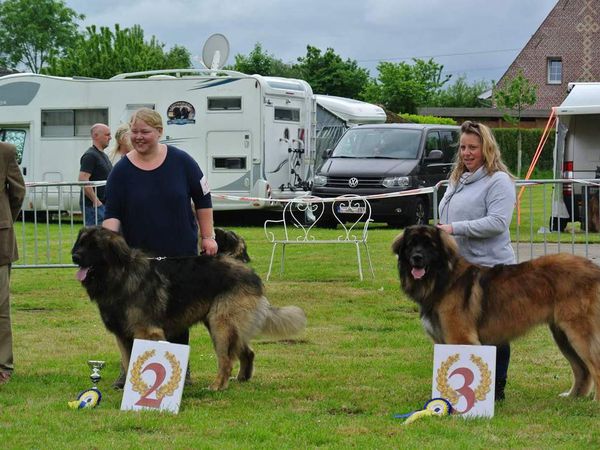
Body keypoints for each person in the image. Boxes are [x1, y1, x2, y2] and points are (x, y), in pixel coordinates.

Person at [103, 108, 218, 388]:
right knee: (133, 314)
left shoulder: (182, 161)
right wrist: (108, 246)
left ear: (159, 132)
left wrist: (208, 236)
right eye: (135, 132)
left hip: (180, 253)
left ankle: (180, 370)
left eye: (145, 132)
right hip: (138, 260)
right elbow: (112, 213)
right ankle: (131, 368)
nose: (139, 137)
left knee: (178, 312)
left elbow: (203, 199)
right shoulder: (121, 171)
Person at [437, 120, 515, 401]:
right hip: (461, 269)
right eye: (463, 147)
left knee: (494, 327)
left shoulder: (499, 181)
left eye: (473, 147)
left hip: (493, 268)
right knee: (464, 326)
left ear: (487, 148)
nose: (467, 153)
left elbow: (497, 222)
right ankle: (469, 381)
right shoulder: (457, 179)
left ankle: (497, 387)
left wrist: (454, 228)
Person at [0, 141, 26, 386]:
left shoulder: (5, 151)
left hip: (0, 241)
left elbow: (18, 193)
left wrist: (5, 219)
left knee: (0, 307)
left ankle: (2, 365)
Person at [79, 123, 112, 226]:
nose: (110, 138)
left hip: (102, 205)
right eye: (107, 135)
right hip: (93, 207)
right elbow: (83, 179)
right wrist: (96, 201)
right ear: (95, 136)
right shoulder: (90, 155)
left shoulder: (103, 155)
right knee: (95, 238)